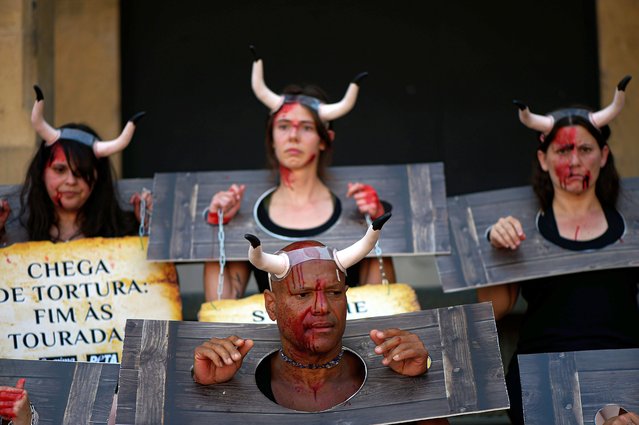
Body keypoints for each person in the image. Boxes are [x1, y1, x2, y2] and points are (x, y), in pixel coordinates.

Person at [478, 76, 639, 425]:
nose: (574, 161)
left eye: (585, 149)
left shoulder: (631, 226)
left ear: (603, 155)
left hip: (623, 379)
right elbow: (493, 310)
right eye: (563, 150)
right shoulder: (523, 226)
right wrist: (495, 248)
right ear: (544, 159)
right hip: (543, 380)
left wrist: (629, 400)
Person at [194, 214, 447, 424]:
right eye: (303, 294)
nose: (321, 307)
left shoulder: (391, 367)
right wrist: (204, 391)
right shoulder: (238, 378)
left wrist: (417, 392)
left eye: (334, 292)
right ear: (272, 306)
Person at [203, 48, 395, 301]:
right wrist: (217, 224)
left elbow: (386, 302)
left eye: (305, 127)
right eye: (283, 126)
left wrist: (375, 220)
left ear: (325, 140)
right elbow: (219, 304)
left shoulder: (356, 209)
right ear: (271, 137)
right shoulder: (250, 214)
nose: (293, 136)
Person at [0, 86, 150, 243]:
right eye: (60, 169)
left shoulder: (125, 230)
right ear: (42, 173)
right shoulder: (21, 232)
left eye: (81, 172)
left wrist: (149, 226)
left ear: (97, 176)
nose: (70, 181)